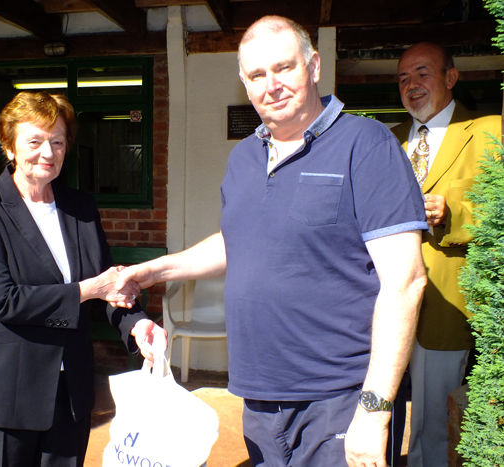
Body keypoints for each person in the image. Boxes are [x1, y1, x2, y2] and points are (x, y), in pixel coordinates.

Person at [113, 16, 428, 467]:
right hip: (259, 396)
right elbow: (238, 241)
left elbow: (407, 281)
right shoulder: (244, 156)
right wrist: (152, 271)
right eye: (257, 75)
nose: (271, 85)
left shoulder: (366, 143)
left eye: (284, 68)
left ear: (313, 66)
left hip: (338, 396)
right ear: (243, 82)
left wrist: (375, 410)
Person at [0, 91, 166, 467]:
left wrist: (137, 324)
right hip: (3, 396)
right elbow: (3, 300)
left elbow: (107, 285)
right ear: (9, 147)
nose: (47, 153)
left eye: (57, 141)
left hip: (70, 394)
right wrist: (90, 289)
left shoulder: (80, 206)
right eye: (34, 141)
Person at [391, 42, 502, 467]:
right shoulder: (389, 140)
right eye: (403, 79)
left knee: (434, 419)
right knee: (380, 408)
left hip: (447, 304)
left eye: (422, 73)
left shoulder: (490, 130)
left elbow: (500, 208)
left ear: (450, 78)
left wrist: (454, 213)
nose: (411, 85)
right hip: (387, 301)